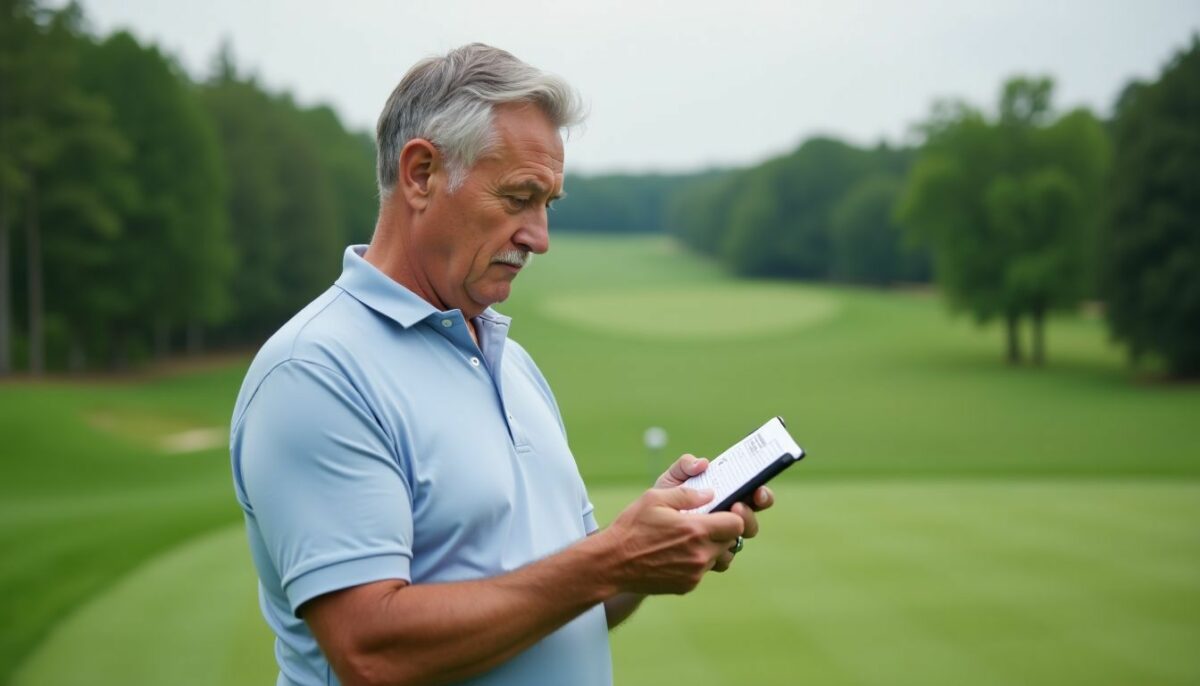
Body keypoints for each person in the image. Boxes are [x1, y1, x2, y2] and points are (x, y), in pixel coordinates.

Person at [229, 43, 774, 686]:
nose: (538, 237)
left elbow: (563, 603)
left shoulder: (513, 365)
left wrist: (642, 550)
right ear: (422, 173)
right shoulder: (315, 372)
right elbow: (371, 651)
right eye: (519, 198)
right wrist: (608, 559)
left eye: (548, 204)